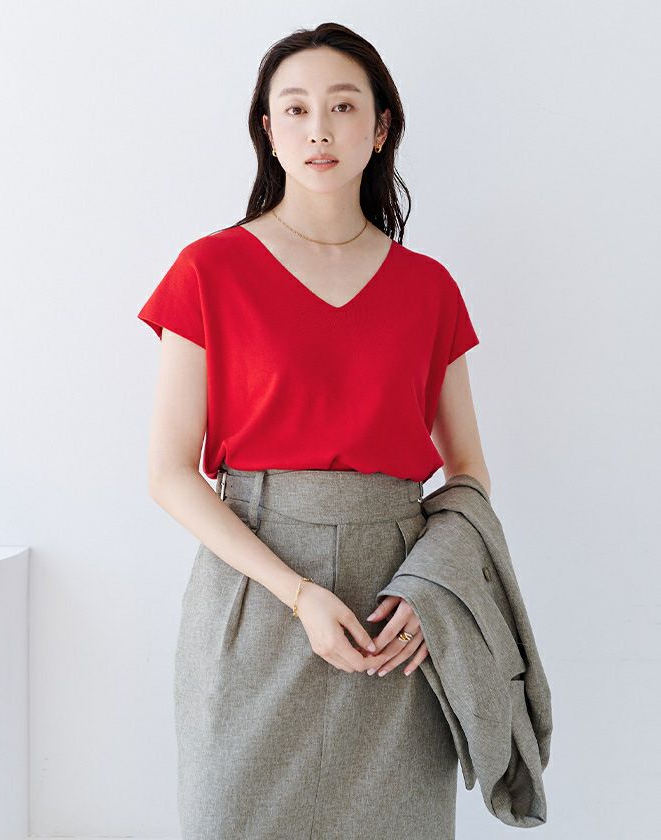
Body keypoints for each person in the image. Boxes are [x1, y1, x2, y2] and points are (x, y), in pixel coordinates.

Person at [138, 22, 490, 840]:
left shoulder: (430, 288)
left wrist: (429, 588)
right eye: (294, 109)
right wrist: (298, 594)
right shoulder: (209, 270)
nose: (319, 129)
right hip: (254, 598)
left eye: (342, 106)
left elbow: (468, 471)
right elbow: (169, 472)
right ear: (268, 129)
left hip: (396, 615)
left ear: (381, 126)